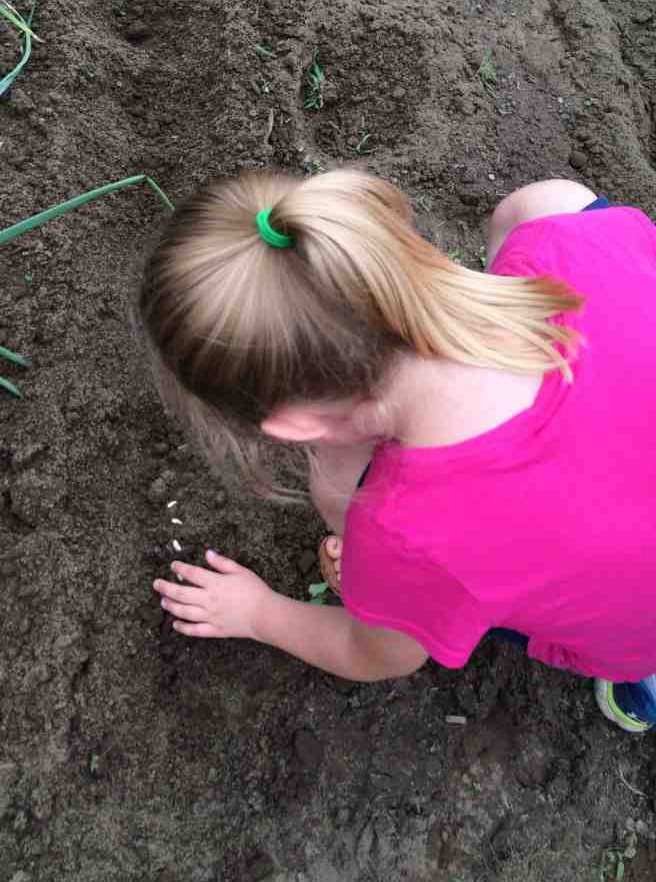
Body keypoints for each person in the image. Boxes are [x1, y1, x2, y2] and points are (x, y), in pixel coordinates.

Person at [144, 169, 656, 732]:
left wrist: (259, 614)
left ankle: (640, 674)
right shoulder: (574, 234)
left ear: (296, 425)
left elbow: (374, 654)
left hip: (642, 629)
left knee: (362, 506)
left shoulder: (411, 536)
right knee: (550, 200)